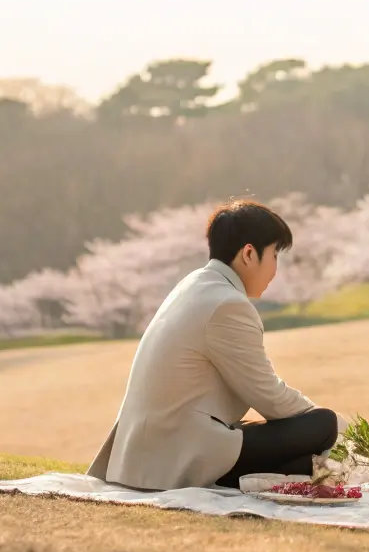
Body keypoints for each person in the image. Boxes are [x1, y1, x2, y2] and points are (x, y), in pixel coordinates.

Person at [86, 200, 335, 491]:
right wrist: (331, 425)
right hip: (176, 454)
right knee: (324, 425)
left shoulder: (193, 284)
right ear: (249, 254)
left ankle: (293, 470)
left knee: (306, 462)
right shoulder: (228, 304)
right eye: (274, 255)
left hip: (145, 454)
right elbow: (270, 397)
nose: (274, 270)